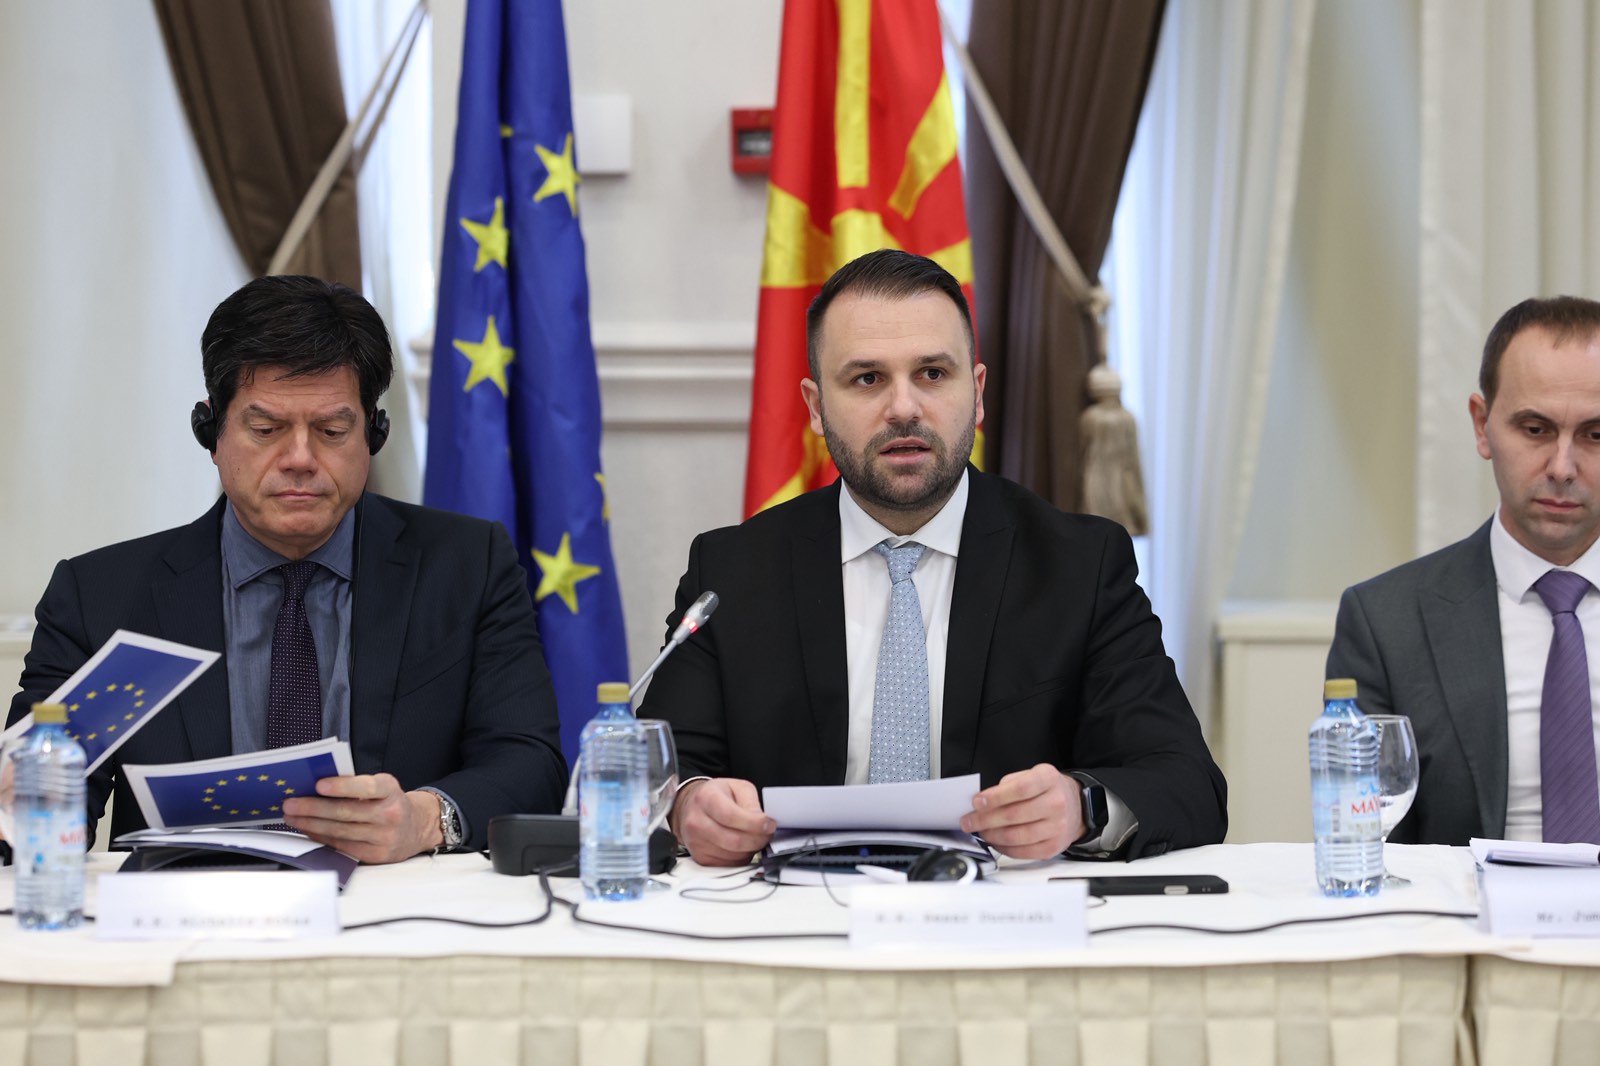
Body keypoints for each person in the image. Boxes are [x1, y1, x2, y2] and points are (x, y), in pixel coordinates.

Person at [640, 249, 1227, 866]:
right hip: (795, 908)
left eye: (932, 373)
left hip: (999, 910)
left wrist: (1082, 806)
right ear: (815, 407)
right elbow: (663, 772)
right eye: (867, 379)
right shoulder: (731, 572)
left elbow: (1186, 781)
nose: (903, 408)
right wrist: (689, 804)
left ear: (976, 393)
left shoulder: (1080, 566)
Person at [5, 276, 566, 864]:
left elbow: (531, 763)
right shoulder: (102, 596)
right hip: (180, 909)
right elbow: (45, 795)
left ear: (374, 434)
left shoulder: (466, 567)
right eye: (266, 430)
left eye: (331, 431)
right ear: (210, 433)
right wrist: (19, 810)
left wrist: (425, 819)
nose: (300, 459)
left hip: (393, 906)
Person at [1328, 296, 1600, 846]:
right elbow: (1367, 844)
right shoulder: (1386, 622)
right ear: (1482, 425)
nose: (1562, 467)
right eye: (1535, 429)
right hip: (1466, 901)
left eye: (1597, 435)